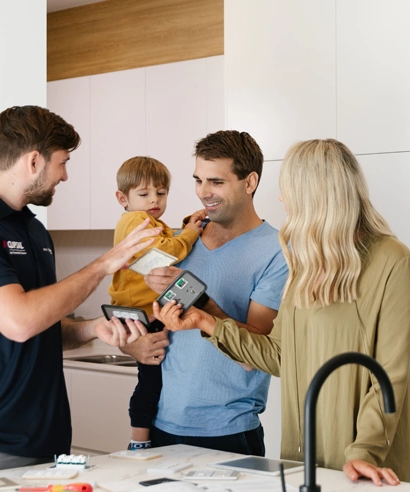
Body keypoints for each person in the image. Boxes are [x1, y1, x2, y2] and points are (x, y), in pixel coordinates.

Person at [154, 138, 410, 487]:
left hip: (363, 461)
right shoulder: (303, 262)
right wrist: (205, 321)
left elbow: (389, 376)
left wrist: (364, 452)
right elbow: (280, 355)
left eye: (288, 190)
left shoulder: (392, 261)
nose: (282, 199)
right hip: (301, 451)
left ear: (315, 192)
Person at [0, 106, 159, 478]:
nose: (65, 176)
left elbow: (42, 322)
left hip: (48, 438)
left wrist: (90, 330)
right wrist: (104, 263)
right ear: (34, 160)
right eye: (62, 163)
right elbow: (19, 321)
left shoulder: (35, 232)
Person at [121, 130, 289, 456]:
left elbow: (259, 352)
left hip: (230, 432)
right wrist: (133, 345)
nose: (203, 193)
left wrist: (199, 300)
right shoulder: (178, 238)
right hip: (158, 426)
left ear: (250, 182)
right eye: (198, 180)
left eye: (216, 182)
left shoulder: (277, 251)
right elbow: (140, 320)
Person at [107, 156, 206, 451]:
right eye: (144, 193)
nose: (154, 200)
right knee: (150, 383)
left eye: (161, 193)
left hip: (140, 311)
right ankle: (139, 442)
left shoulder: (149, 222)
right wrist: (190, 233)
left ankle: (142, 437)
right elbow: (167, 252)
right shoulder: (135, 221)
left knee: (153, 380)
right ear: (123, 198)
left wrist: (186, 226)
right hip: (138, 314)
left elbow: (167, 239)